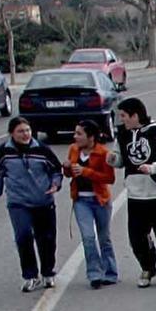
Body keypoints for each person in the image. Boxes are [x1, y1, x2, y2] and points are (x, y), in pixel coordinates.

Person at [0, 117, 63, 293]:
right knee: (23, 236)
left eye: (27, 130)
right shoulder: (4, 152)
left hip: (43, 201)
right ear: (12, 133)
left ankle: (48, 272)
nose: (25, 134)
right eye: (20, 131)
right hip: (18, 203)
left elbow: (56, 170)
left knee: (47, 239)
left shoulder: (41, 149)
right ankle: (30, 276)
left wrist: (55, 185)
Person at [113, 96, 156, 287]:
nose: (122, 120)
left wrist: (154, 168)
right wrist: (112, 159)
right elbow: (120, 158)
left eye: (124, 116)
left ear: (136, 115)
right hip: (135, 195)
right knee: (136, 237)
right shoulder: (123, 135)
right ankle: (147, 267)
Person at [65, 119, 118, 288]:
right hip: (81, 200)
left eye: (79, 133)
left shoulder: (103, 153)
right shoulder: (73, 150)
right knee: (88, 237)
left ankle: (110, 272)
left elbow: (109, 178)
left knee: (104, 238)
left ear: (91, 137)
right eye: (75, 133)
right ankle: (94, 274)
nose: (76, 137)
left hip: (100, 200)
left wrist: (86, 171)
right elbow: (69, 174)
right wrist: (67, 167)